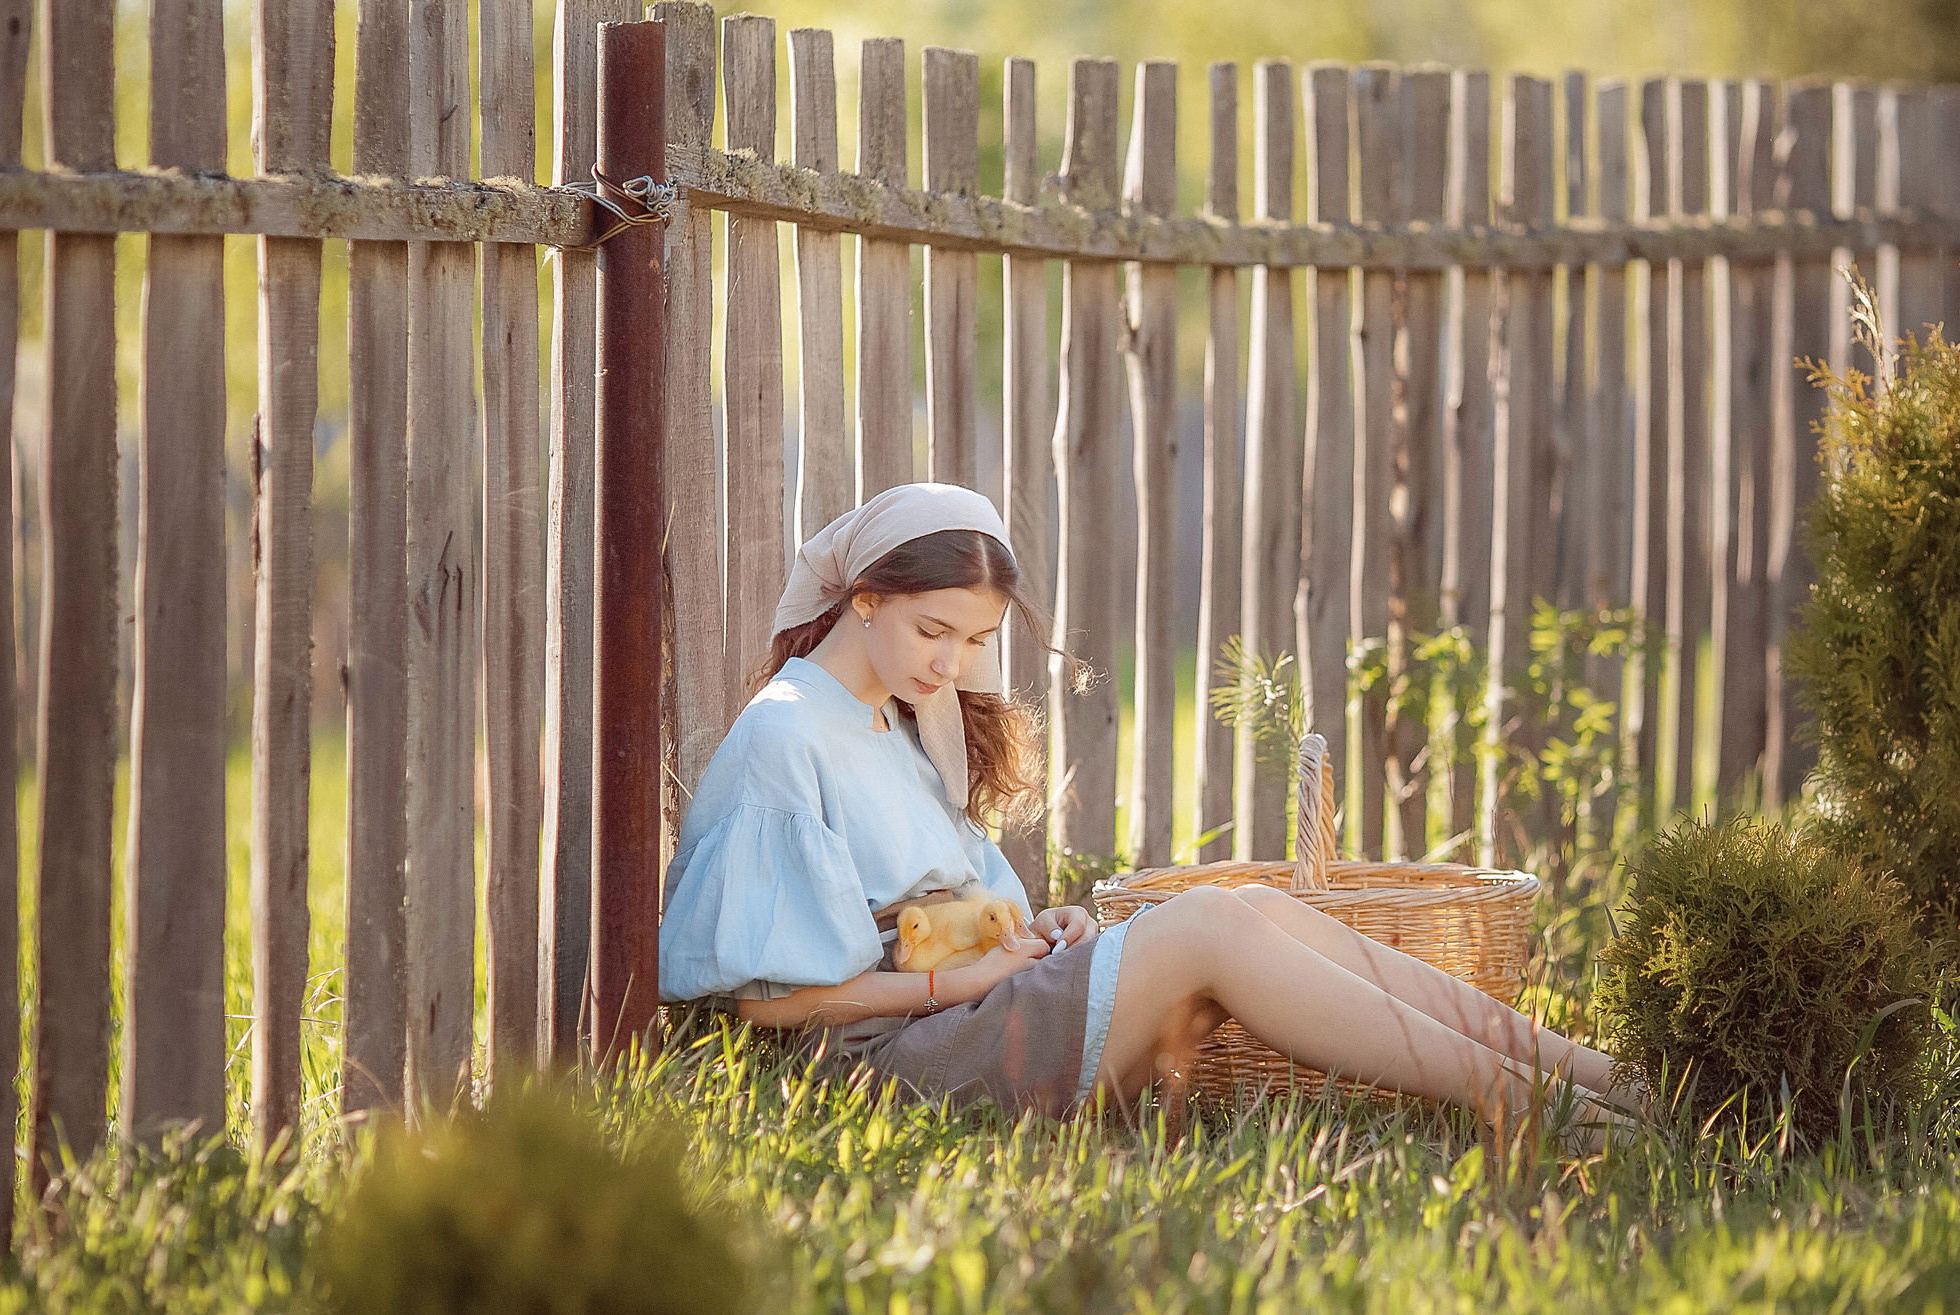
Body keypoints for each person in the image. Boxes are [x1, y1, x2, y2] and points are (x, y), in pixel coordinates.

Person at [657, 482, 1646, 1134]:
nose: (951, 663)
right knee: (1211, 920)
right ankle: (1544, 1112)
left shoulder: (906, 719)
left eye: (975, 641)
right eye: (933, 630)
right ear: (864, 598)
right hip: (883, 1068)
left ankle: (1601, 1077)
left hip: (966, 1008)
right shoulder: (786, 736)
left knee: (1252, 906)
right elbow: (769, 1004)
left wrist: (1030, 929)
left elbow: (939, 914)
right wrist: (958, 985)